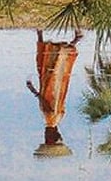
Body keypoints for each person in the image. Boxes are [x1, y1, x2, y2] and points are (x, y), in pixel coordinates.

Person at [26, 29, 82, 157]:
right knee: (47, 64)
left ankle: (75, 40)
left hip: (54, 86)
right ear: (51, 134)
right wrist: (32, 89)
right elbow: (43, 101)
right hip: (50, 86)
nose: (44, 135)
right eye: (47, 138)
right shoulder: (50, 118)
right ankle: (42, 34)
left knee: (53, 66)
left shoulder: (58, 119)